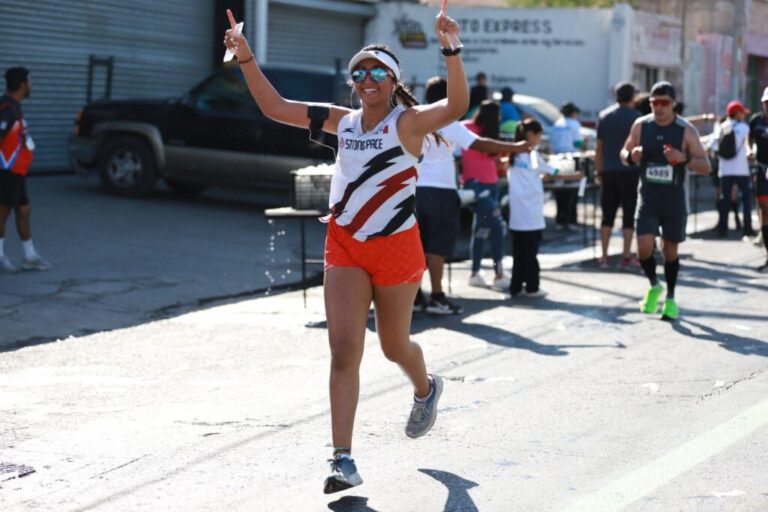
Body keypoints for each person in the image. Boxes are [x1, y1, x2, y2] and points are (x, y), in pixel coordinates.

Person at [223, 7, 468, 494]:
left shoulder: (410, 123)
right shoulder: (343, 121)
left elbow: (456, 106)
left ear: (392, 79)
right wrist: (246, 56)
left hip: (397, 249)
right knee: (343, 352)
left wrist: (450, 49)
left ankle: (426, 388)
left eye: (377, 72)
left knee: (394, 346)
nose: (367, 79)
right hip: (346, 247)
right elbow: (275, 107)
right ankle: (343, 458)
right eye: (359, 73)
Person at [414, 77, 530, 314]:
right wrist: (516, 147)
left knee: (416, 247)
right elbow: (479, 144)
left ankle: (415, 299)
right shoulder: (445, 118)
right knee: (436, 248)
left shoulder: (415, 117)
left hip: (414, 189)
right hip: (440, 191)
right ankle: (436, 297)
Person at [620, 81, 710, 320]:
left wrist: (684, 158)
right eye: (654, 103)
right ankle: (653, 285)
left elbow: (705, 166)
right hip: (647, 199)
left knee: (669, 252)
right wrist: (631, 155)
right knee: (643, 249)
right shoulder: (641, 125)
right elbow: (623, 152)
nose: (658, 108)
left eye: (664, 103)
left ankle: (670, 297)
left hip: (674, 202)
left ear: (673, 104)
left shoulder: (686, 130)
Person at [507, 119, 582, 298]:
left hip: (517, 213)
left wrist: (539, 179)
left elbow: (530, 175)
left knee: (518, 253)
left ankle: (515, 287)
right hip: (531, 213)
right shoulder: (532, 154)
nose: (540, 138)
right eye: (539, 134)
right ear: (530, 135)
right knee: (531, 253)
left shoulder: (514, 155)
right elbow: (552, 171)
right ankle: (532, 287)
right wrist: (575, 175)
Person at [0, 66, 50, 273]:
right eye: (29, 82)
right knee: (2, 214)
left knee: (23, 211)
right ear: (21, 85)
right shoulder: (7, 109)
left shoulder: (14, 106)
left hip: (18, 172)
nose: (31, 85)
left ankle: (30, 256)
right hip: (6, 171)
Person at [461, 100, 510, 289]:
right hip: (477, 186)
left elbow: (493, 162)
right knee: (497, 227)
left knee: (481, 229)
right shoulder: (466, 128)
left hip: (489, 185)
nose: (499, 119)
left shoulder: (475, 129)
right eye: (498, 115)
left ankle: (475, 273)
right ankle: (498, 274)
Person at [594, 81, 641, 270]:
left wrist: (599, 171)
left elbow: (599, 148)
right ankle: (626, 255)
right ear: (632, 97)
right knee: (629, 215)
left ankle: (603, 256)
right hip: (629, 171)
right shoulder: (637, 118)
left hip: (608, 170)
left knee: (607, 215)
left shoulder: (604, 116)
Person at [712, 100, 755, 238]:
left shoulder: (721, 127)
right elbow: (749, 144)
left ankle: (723, 229)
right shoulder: (744, 128)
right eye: (742, 112)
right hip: (742, 169)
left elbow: (713, 146)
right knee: (746, 199)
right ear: (737, 113)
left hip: (725, 170)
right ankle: (747, 229)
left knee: (725, 199)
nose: (744, 115)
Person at [550, 102, 583, 231]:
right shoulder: (574, 124)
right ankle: (571, 220)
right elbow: (578, 143)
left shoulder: (557, 124)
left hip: (557, 158)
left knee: (559, 190)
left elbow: (553, 143)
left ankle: (560, 219)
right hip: (570, 158)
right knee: (571, 190)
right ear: (572, 113)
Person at [748, 86, 768, 271]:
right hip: (762, 171)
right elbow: (749, 138)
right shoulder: (756, 121)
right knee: (763, 210)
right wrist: (749, 150)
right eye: (766, 102)